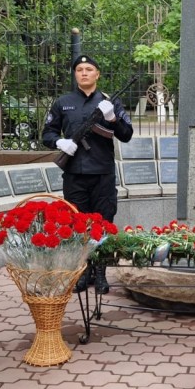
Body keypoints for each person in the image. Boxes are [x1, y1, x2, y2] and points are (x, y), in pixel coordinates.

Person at [42, 53, 133, 294]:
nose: (84, 73)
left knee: (102, 223)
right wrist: (60, 142)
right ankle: (83, 272)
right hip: (75, 175)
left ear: (97, 74)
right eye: (80, 70)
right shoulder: (63, 102)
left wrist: (112, 119)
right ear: (75, 74)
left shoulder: (109, 102)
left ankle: (100, 273)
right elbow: (47, 133)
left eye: (89, 69)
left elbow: (126, 134)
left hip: (102, 174)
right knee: (77, 224)